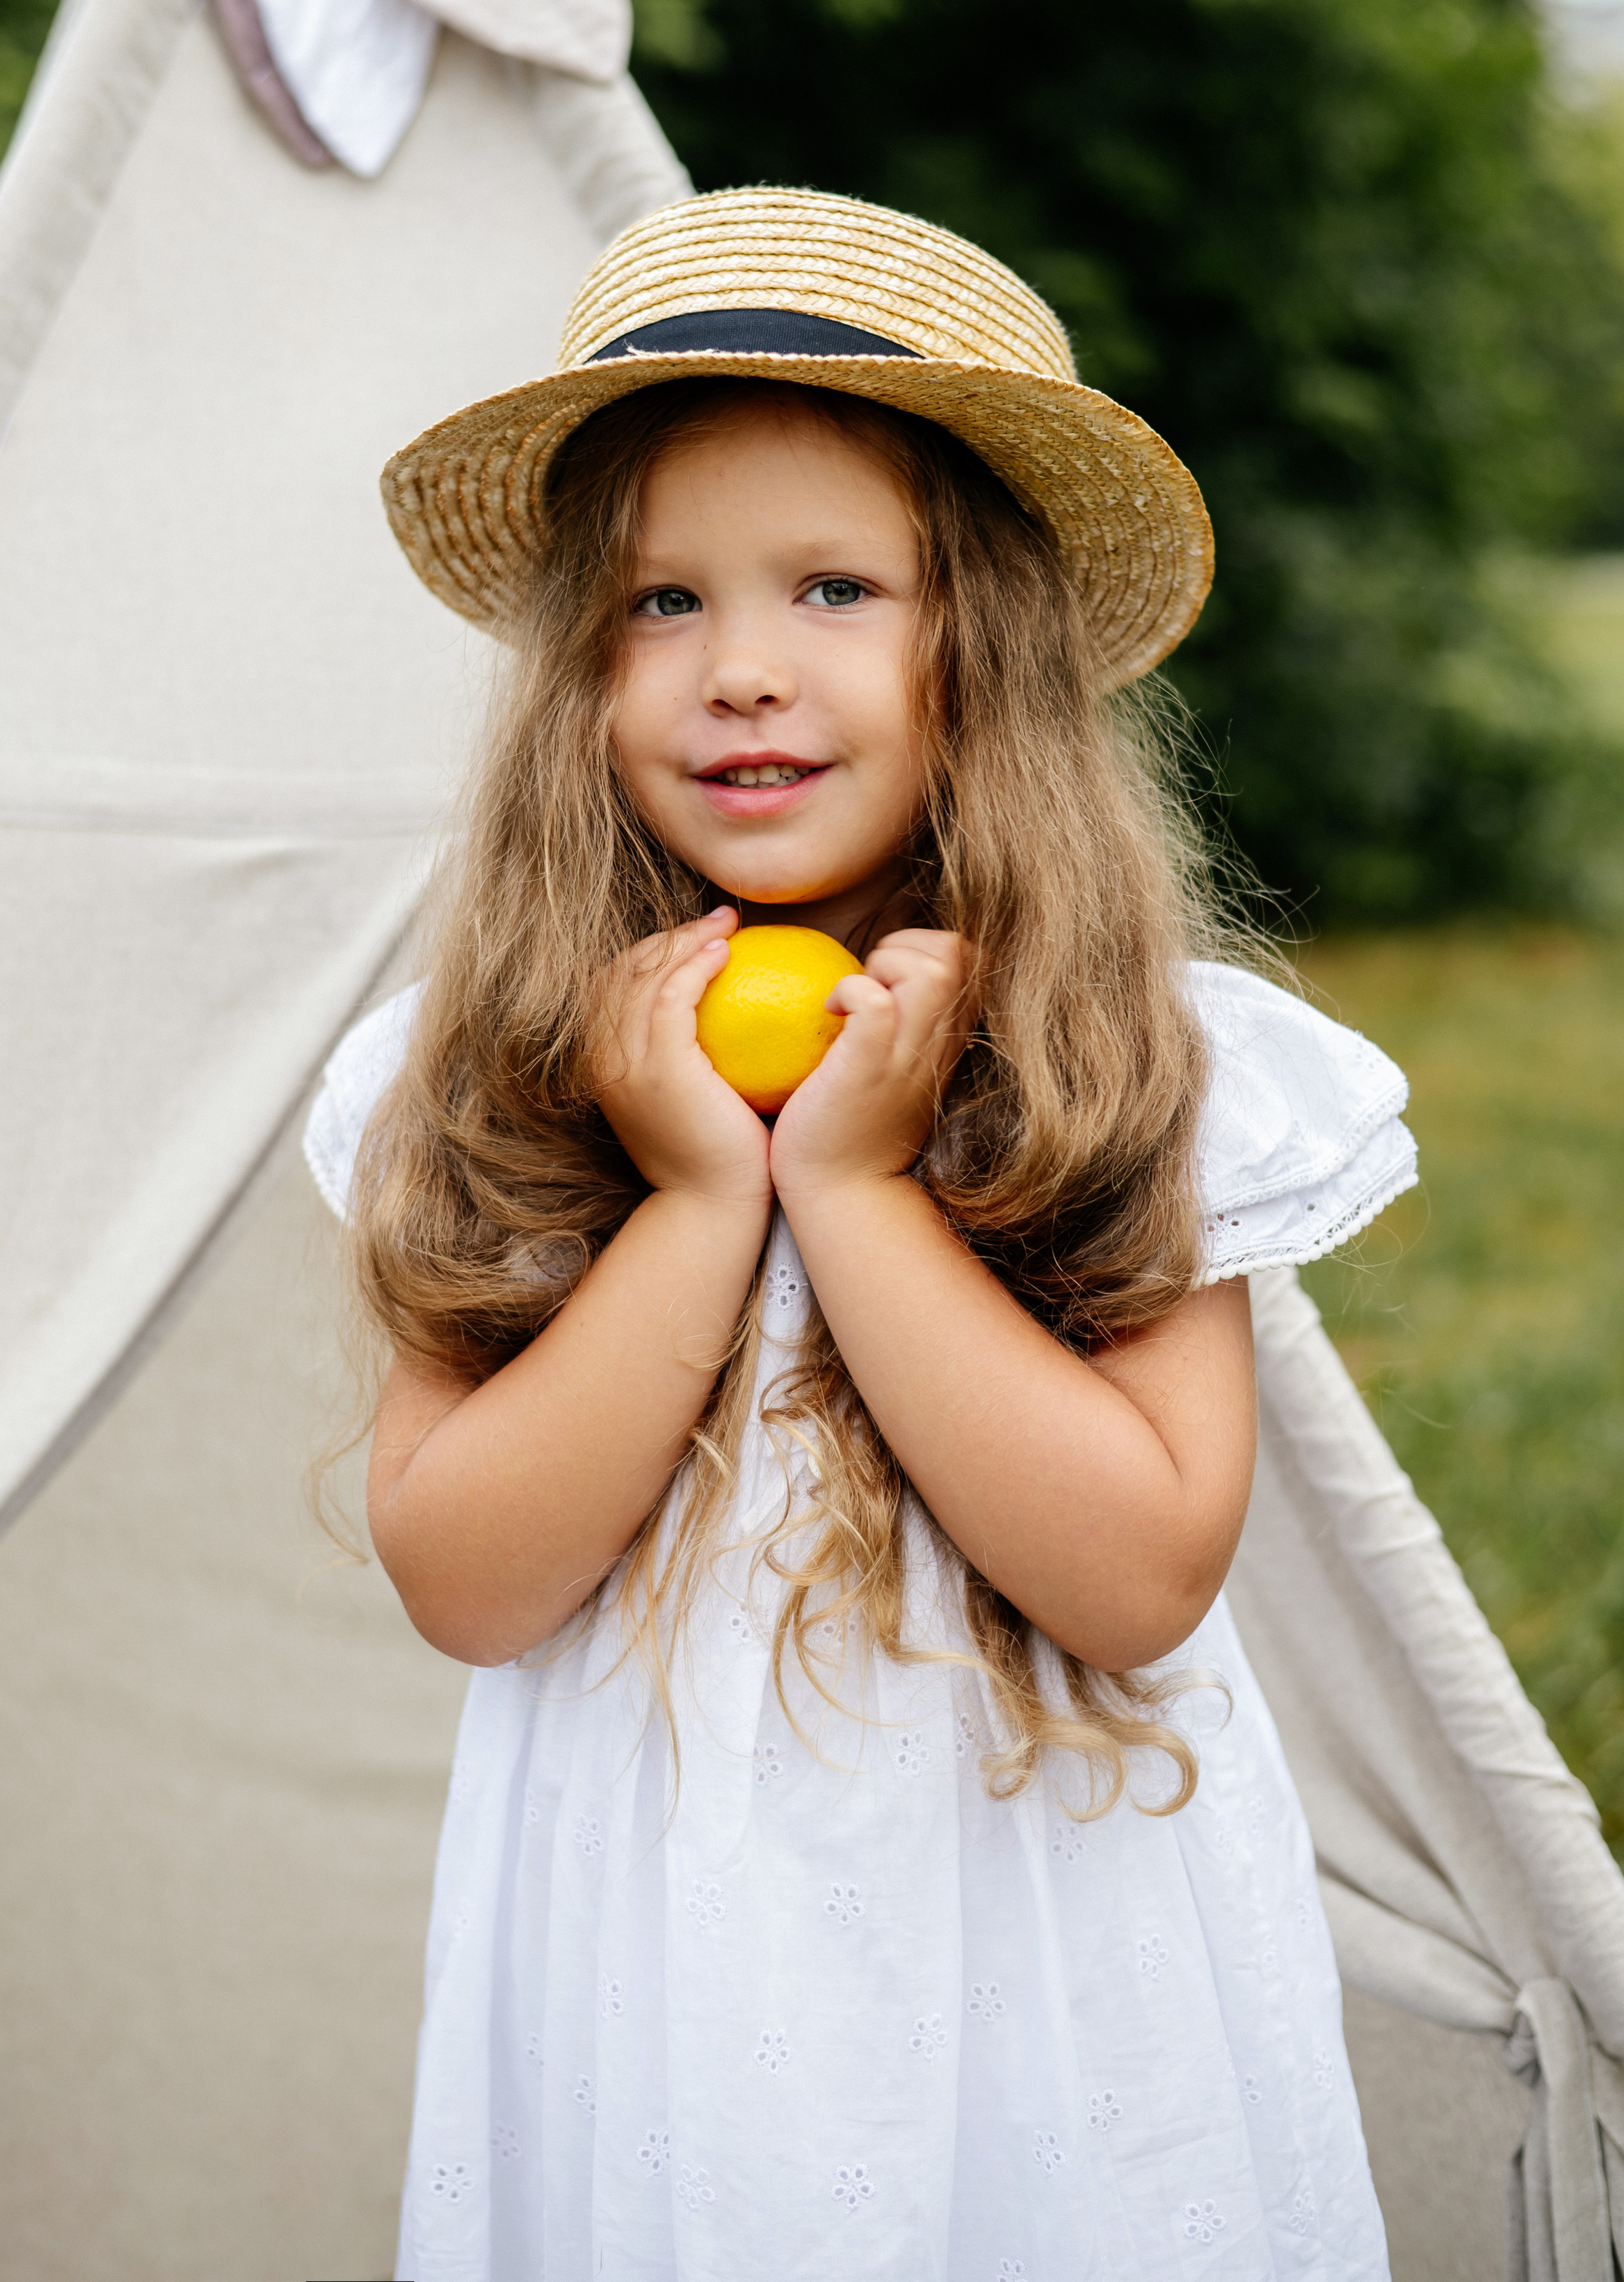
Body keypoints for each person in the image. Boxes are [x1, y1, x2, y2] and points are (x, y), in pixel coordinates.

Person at [305, 186, 1413, 2278]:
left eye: (835, 587)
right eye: (660, 602)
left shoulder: (1129, 1060)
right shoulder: (502, 1067)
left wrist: (856, 1187)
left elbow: (1138, 1576)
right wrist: (697, 1197)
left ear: (980, 652)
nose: (741, 669)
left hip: (1046, 1946)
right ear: (578, 677)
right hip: (653, 1952)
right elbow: (465, 1577)